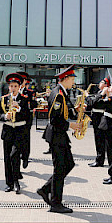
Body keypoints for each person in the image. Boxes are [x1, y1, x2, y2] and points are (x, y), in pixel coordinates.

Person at [37, 65, 79, 214]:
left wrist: (76, 109)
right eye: (73, 79)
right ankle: (56, 203)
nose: (74, 81)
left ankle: (45, 189)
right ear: (66, 79)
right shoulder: (58, 94)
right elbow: (55, 119)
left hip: (59, 134)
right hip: (57, 134)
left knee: (68, 164)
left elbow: (63, 112)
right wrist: (70, 125)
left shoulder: (62, 92)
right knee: (60, 168)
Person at [0, 73, 36, 194]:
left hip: (19, 132)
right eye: (11, 86)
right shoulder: (4, 99)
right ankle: (8, 183)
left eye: (16, 86)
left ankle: (16, 182)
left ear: (19, 87)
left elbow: (27, 116)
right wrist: (5, 116)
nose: (13, 88)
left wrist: (19, 108)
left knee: (14, 156)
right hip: (8, 131)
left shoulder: (25, 99)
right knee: (7, 158)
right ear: (9, 87)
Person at [87, 79, 109, 168]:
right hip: (96, 118)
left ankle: (100, 160)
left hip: (100, 118)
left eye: (101, 82)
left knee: (100, 140)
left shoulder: (105, 94)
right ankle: (98, 159)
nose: (99, 84)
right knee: (97, 139)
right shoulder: (100, 92)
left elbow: (94, 102)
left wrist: (87, 97)